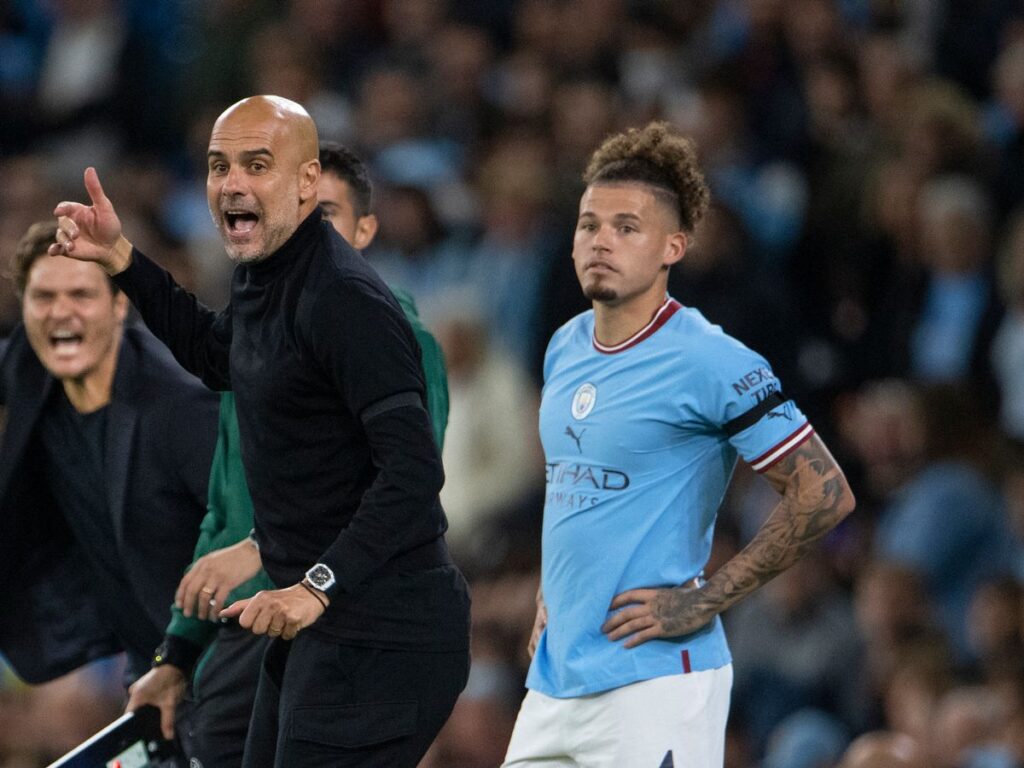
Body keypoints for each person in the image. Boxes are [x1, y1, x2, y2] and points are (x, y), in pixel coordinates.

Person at [51, 95, 470, 767]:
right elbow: (216, 355)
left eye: (257, 164)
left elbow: (414, 471)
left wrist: (317, 584)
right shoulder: (267, 277)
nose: (232, 183)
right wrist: (123, 259)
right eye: (219, 166)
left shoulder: (346, 300)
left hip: (385, 634)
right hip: (321, 627)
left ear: (306, 181)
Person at [502, 122, 855, 767]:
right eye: (589, 225)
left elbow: (825, 493)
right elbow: (574, 483)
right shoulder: (564, 346)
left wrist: (706, 598)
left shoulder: (710, 359)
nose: (600, 241)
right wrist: (555, 592)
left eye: (626, 228)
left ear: (674, 246)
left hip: (655, 683)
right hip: (554, 679)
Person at [0, 222, 217, 702]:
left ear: (120, 305)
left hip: (221, 666)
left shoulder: (180, 406)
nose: (60, 312)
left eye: (80, 294)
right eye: (43, 297)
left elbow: (246, 536)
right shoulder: (28, 369)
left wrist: (190, 662)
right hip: (143, 665)